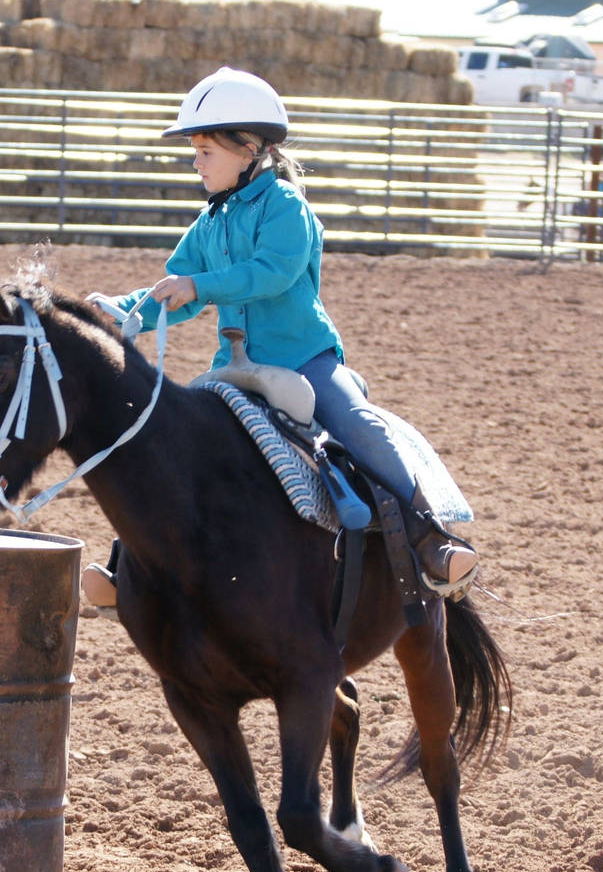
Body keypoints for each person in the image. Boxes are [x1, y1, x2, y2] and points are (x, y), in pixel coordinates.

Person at [79, 67, 478, 611]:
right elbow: (179, 292)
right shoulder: (208, 223)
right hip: (234, 366)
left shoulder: (287, 207)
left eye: (205, 151)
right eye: (194, 151)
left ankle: (432, 537)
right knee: (170, 443)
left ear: (248, 150)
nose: (196, 162)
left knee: (357, 423)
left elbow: (273, 272)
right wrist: (121, 311)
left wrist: (198, 282)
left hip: (305, 359)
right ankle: (130, 566)